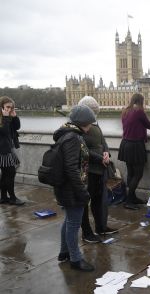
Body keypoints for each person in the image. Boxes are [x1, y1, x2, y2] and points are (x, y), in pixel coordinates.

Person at [55, 105, 96, 272]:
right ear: (83, 122)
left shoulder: (68, 134)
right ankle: (75, 259)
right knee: (73, 223)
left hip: (66, 187)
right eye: (90, 122)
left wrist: (100, 158)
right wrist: (82, 191)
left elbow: (81, 156)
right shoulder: (73, 138)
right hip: (71, 188)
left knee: (68, 220)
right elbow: (72, 168)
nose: (92, 125)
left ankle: (64, 252)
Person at [77, 96, 118, 243]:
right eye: (93, 113)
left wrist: (106, 152)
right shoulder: (79, 126)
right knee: (85, 202)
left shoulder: (94, 122)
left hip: (100, 169)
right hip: (88, 170)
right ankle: (86, 232)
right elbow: (83, 149)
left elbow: (103, 141)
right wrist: (99, 157)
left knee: (99, 201)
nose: (95, 117)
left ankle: (101, 226)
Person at [118, 93, 150, 210]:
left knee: (131, 173)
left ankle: (132, 198)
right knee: (138, 174)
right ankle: (128, 200)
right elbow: (149, 125)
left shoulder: (125, 111)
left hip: (125, 144)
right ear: (141, 101)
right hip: (135, 145)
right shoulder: (139, 112)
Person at [0, 96, 24, 206]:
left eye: (11, 107)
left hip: (7, 149)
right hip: (2, 151)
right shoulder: (3, 118)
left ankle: (4, 197)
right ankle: (12, 198)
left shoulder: (8, 117)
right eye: (7, 107)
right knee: (10, 173)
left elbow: (17, 127)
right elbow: (4, 132)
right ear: (2, 107)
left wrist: (15, 117)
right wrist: (5, 117)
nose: (9, 109)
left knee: (6, 174)